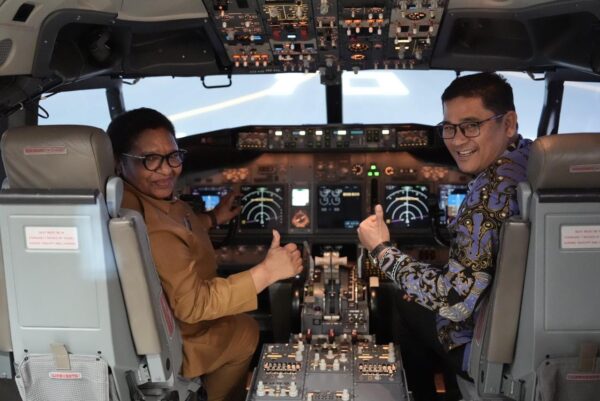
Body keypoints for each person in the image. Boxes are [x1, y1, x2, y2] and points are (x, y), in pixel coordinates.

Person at [107, 108, 303, 401]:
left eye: (173, 156)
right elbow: (193, 305)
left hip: (152, 327)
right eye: (150, 159)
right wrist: (267, 272)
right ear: (119, 162)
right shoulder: (151, 225)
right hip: (176, 340)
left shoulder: (130, 200)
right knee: (245, 331)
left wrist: (212, 218)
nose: (167, 170)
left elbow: (176, 225)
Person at [357, 72, 532, 401]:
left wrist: (382, 250)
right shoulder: (535, 162)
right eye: (449, 128)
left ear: (508, 123)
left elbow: (452, 302)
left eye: (471, 126)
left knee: (405, 299)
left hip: (491, 347)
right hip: (534, 334)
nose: (457, 140)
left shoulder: (488, 196)